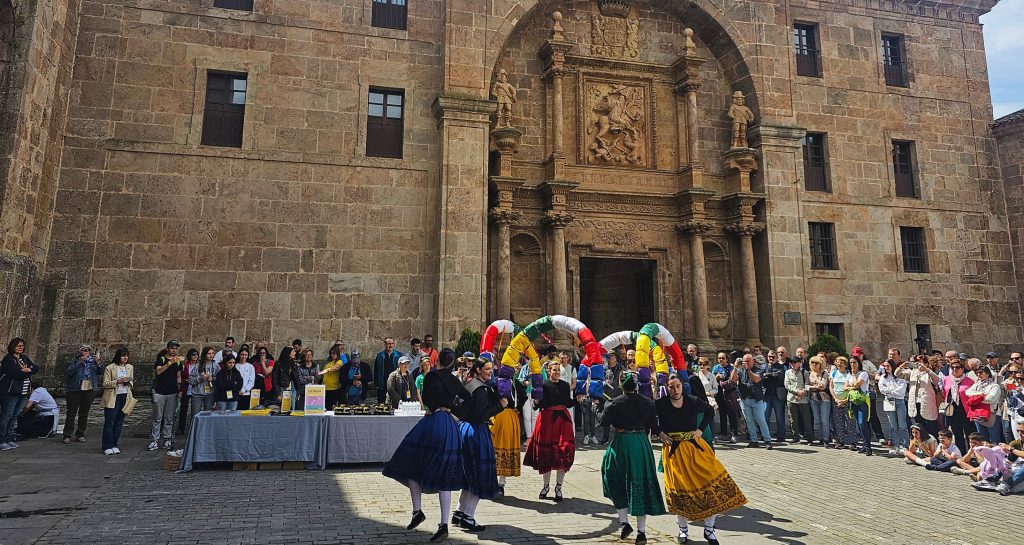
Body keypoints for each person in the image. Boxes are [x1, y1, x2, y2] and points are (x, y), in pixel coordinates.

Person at [382, 353, 471, 543]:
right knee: (444, 473)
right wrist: (455, 412)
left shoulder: (431, 376)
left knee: (411, 461)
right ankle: (442, 523)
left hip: (433, 423)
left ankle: (417, 511)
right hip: (449, 425)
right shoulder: (454, 379)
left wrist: (438, 408)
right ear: (452, 363)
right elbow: (467, 400)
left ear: (438, 361)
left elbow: (429, 401)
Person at [657, 374, 747, 545]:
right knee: (679, 492)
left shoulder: (692, 400)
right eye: (671, 387)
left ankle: (709, 530)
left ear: (682, 386)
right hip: (674, 452)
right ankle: (683, 531)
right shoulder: (660, 404)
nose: (675, 390)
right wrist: (659, 432)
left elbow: (709, 412)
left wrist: (700, 430)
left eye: (677, 386)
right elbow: (649, 421)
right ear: (667, 387)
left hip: (695, 449)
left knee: (709, 486)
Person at [600, 372, 666, 545]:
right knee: (640, 484)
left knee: (613, 478)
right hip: (641, 444)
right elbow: (653, 424)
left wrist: (599, 407)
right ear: (636, 385)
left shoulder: (615, 402)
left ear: (621, 385)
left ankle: (624, 522)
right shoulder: (647, 402)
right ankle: (641, 532)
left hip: (622, 443)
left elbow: (603, 422)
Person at [453, 358, 503, 532]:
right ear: (479, 370)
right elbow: (482, 414)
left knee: (469, 475)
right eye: (487, 369)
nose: (490, 372)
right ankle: (468, 516)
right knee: (479, 474)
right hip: (476, 432)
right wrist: (500, 406)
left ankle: (459, 512)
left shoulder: (470, 383)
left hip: (465, 430)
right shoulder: (480, 389)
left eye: (492, 369)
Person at [523, 360, 575, 501]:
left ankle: (559, 487)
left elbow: (568, 402)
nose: (557, 373)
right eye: (554, 370)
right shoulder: (543, 385)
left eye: (558, 370)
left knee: (563, 452)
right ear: (549, 370)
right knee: (546, 454)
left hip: (562, 422)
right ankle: (546, 486)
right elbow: (536, 406)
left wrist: (578, 398)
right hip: (546, 420)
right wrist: (536, 402)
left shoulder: (565, 385)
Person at [490, 357, 522, 497]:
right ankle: (492, 481)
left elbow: (523, 398)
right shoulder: (496, 382)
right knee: (494, 449)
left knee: (507, 450)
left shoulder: (515, 383)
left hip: (510, 417)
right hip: (498, 416)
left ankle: (501, 484)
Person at [0, 338, 37, 450]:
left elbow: (35, 368)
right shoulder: (8, 359)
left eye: (22, 345)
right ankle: (1, 440)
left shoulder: (24, 358)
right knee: (6, 416)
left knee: (14, 416)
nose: (20, 347)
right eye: (18, 346)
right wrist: (24, 371)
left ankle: (9, 438)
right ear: (13, 347)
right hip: (10, 392)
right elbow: (13, 373)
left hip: (23, 391)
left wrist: (27, 370)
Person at [63, 344, 105, 444]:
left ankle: (80, 434)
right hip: (75, 389)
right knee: (71, 413)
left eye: (88, 350)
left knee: (84, 413)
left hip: (89, 389)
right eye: (84, 350)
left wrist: (99, 363)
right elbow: (69, 372)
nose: (86, 352)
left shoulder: (93, 362)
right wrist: (79, 362)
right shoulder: (74, 361)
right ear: (80, 351)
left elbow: (101, 371)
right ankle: (67, 434)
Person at [729, 354, 772, 449]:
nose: (746, 363)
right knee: (749, 421)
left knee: (761, 420)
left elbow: (756, 379)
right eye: (745, 361)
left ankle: (767, 440)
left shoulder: (759, 369)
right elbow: (733, 379)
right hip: (744, 399)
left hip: (757, 399)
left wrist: (748, 369)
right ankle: (754, 440)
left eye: (748, 361)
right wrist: (735, 367)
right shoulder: (740, 370)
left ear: (753, 361)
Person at [148, 340, 182, 451]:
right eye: (172, 348)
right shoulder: (161, 359)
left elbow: (178, 376)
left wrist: (180, 388)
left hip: (172, 392)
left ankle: (167, 439)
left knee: (169, 417)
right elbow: (158, 371)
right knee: (157, 417)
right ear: (168, 348)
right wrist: (169, 363)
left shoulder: (178, 362)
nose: (174, 350)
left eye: (175, 348)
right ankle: (154, 440)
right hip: (160, 391)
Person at [101, 348, 135, 455]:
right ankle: (107, 445)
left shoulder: (130, 367)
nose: (125, 358)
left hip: (125, 395)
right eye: (123, 356)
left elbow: (132, 381)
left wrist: (128, 382)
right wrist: (117, 381)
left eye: (126, 356)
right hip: (113, 397)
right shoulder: (110, 368)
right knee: (110, 422)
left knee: (119, 422)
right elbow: (105, 383)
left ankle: (114, 444)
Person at [899, 354, 941, 438]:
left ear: (926, 363)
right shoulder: (912, 372)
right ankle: (923, 443)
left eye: (920, 363)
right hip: (915, 402)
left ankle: (934, 442)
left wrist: (926, 369)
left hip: (927, 402)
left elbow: (937, 380)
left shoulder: (929, 372)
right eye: (916, 363)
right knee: (919, 424)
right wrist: (901, 366)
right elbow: (898, 374)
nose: (918, 365)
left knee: (931, 424)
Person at [942, 358, 975, 453]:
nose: (954, 369)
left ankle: (972, 454)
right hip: (952, 409)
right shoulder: (947, 379)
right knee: (957, 433)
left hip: (966, 409)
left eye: (957, 367)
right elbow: (945, 392)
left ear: (962, 369)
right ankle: (961, 453)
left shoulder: (969, 381)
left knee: (969, 432)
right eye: (952, 367)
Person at [878, 360, 910, 455]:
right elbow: (882, 389)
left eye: (888, 366)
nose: (886, 368)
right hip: (889, 401)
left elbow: (901, 391)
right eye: (885, 366)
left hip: (899, 401)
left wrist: (890, 391)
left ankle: (905, 446)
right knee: (892, 425)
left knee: (902, 425)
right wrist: (891, 390)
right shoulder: (883, 377)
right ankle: (895, 446)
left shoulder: (900, 376)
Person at [965, 365, 1003, 443]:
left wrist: (975, 399)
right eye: (977, 373)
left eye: (981, 372)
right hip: (978, 414)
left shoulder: (994, 386)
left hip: (992, 414)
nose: (978, 374)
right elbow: (967, 392)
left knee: (994, 439)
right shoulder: (977, 385)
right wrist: (981, 394)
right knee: (982, 439)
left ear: (987, 374)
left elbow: (990, 399)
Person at [844, 357, 873, 455]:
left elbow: (858, 384)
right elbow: (845, 387)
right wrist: (851, 385)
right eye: (851, 362)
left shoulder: (863, 374)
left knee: (862, 423)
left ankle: (868, 446)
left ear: (858, 363)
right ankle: (865, 445)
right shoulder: (849, 375)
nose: (852, 364)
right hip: (853, 400)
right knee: (858, 423)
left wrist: (851, 386)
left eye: (854, 362)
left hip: (863, 400)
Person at [829, 356, 860, 449]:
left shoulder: (849, 374)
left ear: (846, 365)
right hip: (836, 401)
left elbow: (852, 388)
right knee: (838, 422)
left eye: (841, 362)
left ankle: (852, 442)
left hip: (848, 401)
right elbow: (831, 386)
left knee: (850, 422)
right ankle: (841, 441)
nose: (839, 364)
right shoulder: (834, 373)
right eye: (837, 362)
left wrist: (845, 400)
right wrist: (835, 399)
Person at [784, 356, 813, 444]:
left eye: (795, 362)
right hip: (792, 399)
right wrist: (797, 391)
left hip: (803, 399)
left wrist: (802, 393)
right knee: (793, 419)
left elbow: (807, 385)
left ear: (799, 363)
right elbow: (787, 385)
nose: (793, 364)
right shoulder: (788, 372)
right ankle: (795, 436)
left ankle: (810, 438)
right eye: (791, 362)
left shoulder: (805, 372)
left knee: (806, 419)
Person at [712, 352, 740, 444]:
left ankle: (734, 434)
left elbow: (733, 380)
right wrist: (717, 377)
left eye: (723, 358)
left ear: (727, 359)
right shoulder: (716, 368)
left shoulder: (731, 367)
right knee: (722, 414)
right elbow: (713, 379)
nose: (721, 360)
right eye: (719, 358)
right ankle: (723, 433)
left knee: (731, 414)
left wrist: (724, 379)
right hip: (719, 393)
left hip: (729, 393)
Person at [187, 347, 218, 429]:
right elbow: (190, 380)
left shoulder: (216, 366)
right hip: (197, 394)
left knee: (208, 414)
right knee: (195, 415)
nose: (211, 355)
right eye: (209, 353)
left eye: (212, 353)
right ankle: (194, 431)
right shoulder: (197, 366)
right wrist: (200, 378)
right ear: (205, 354)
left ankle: (205, 432)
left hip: (210, 394)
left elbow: (220, 379)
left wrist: (213, 379)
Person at [761, 351, 787, 444]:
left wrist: (768, 375)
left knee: (779, 416)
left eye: (773, 357)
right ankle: (766, 436)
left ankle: (781, 436)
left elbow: (779, 377)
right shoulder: (763, 367)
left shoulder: (781, 367)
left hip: (777, 395)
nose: (771, 358)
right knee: (765, 416)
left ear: (776, 357)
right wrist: (771, 375)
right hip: (767, 394)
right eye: (769, 357)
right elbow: (762, 378)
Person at [806, 356, 832, 447]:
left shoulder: (824, 373)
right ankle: (821, 437)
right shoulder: (808, 373)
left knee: (824, 419)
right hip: (813, 398)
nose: (814, 364)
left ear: (821, 364)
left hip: (824, 398)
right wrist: (815, 386)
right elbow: (806, 386)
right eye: (812, 362)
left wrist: (814, 382)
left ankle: (826, 439)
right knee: (817, 419)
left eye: (816, 363)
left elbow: (823, 386)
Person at [175, 348, 198, 435]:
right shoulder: (185, 365)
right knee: (183, 410)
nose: (195, 356)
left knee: (195, 410)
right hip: (186, 389)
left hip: (195, 390)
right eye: (193, 354)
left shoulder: (199, 366)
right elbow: (181, 377)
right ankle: (181, 428)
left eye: (196, 354)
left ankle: (193, 429)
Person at [374, 337, 403, 404]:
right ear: (385, 344)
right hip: (382, 385)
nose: (391, 345)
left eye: (392, 343)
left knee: (395, 404)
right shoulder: (379, 356)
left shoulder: (399, 355)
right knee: (382, 405)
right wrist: (377, 385)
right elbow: (376, 370)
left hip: (395, 384)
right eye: (388, 343)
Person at [319, 345, 347, 409]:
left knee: (331, 407)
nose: (332, 355)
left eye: (333, 353)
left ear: (337, 353)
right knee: (326, 407)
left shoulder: (339, 362)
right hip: (325, 388)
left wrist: (327, 370)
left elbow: (336, 368)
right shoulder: (329, 363)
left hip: (333, 389)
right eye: (331, 353)